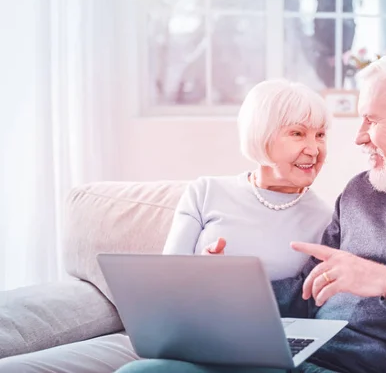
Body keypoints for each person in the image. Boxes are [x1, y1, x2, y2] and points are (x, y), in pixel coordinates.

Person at [116, 48, 386, 373]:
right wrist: (221, 292)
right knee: (144, 370)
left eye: (371, 121)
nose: (358, 138)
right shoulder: (362, 191)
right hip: (302, 359)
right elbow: (309, 291)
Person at [0, 79, 334, 373]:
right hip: (190, 337)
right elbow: (166, 285)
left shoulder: (327, 218)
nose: (314, 148)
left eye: (320, 135)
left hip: (263, 354)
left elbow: (316, 306)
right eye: (297, 133)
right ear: (262, 135)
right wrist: (202, 274)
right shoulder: (207, 192)